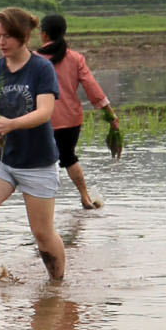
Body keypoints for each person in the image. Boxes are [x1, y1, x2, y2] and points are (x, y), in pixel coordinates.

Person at [0, 6, 64, 280]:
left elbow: (45, 111)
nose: (1, 43)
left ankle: (57, 286)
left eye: (7, 36)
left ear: (23, 36)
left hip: (37, 162)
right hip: (1, 158)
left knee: (42, 234)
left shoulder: (41, 68)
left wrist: (10, 123)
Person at [38, 12, 117, 211]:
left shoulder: (35, 60)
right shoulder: (75, 58)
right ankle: (84, 196)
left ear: (44, 35)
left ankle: (43, 205)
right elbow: (92, 87)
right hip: (70, 120)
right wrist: (110, 114)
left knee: (40, 162)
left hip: (40, 120)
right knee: (68, 157)